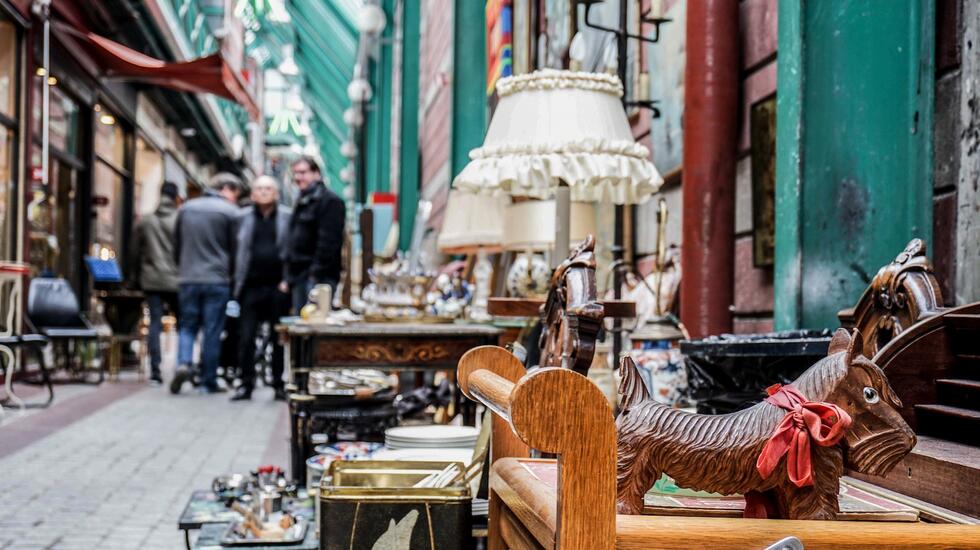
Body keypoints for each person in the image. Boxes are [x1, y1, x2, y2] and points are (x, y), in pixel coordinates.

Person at [170, 173, 241, 395]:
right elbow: (236, 249)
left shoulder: (186, 208)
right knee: (212, 330)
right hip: (217, 279)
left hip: (188, 277)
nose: (235, 200)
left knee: (187, 326)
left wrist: (182, 267)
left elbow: (176, 244)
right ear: (226, 188)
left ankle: (184, 363)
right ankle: (208, 380)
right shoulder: (230, 212)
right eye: (234, 194)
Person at [230, 176, 291, 401]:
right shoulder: (241, 217)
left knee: (278, 339)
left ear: (275, 193)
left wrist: (287, 281)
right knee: (245, 337)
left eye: (268, 188)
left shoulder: (287, 217)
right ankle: (246, 383)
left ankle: (278, 384)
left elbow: (291, 250)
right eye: (259, 189)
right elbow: (235, 250)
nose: (264, 192)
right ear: (252, 194)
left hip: (278, 288)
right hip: (250, 287)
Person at [131, 181, 181, 385]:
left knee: (155, 324)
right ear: (176, 197)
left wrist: (133, 279)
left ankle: (155, 372)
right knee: (185, 324)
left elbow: (134, 252)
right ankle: (183, 365)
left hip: (151, 279)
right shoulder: (180, 220)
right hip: (177, 279)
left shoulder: (145, 221)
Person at [285, 156, 345, 312]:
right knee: (301, 323)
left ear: (316, 174)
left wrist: (315, 274)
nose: (298, 177)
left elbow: (329, 242)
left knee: (315, 324)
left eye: (303, 172)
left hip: (318, 278)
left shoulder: (330, 201)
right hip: (300, 275)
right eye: (295, 173)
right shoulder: (303, 200)